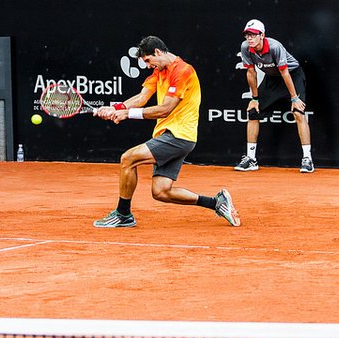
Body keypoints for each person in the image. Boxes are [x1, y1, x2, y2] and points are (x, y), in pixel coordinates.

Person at [94, 36, 240, 228]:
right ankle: (216, 202)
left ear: (157, 52)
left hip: (179, 135)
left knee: (128, 159)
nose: (147, 65)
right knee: (161, 192)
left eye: (147, 60)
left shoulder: (183, 71)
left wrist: (127, 114)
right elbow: (142, 97)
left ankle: (123, 214)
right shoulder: (158, 71)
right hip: (168, 135)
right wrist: (116, 108)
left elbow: (165, 109)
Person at [235, 19, 315, 173]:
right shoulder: (246, 47)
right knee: (253, 113)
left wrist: (294, 98)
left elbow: (285, 73)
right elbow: (251, 72)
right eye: (247, 35)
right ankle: (251, 159)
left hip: (292, 75)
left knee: (298, 113)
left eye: (252, 35)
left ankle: (307, 159)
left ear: (262, 35)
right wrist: (254, 99)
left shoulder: (274, 47)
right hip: (272, 79)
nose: (249, 38)